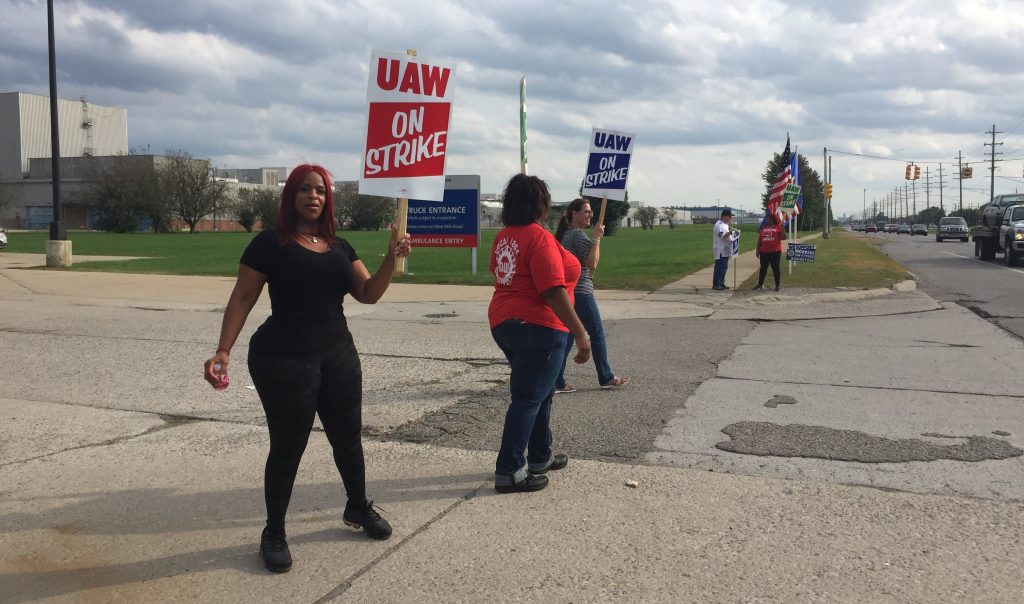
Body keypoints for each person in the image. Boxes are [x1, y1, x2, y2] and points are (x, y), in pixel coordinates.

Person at [203, 164, 411, 574]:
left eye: (320, 191)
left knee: (348, 439)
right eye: (305, 189)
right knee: (288, 445)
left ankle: (357, 507)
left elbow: (368, 294)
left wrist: (392, 256)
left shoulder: (339, 246)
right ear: (291, 197)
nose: (313, 196)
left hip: (337, 356)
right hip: (283, 358)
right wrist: (223, 350)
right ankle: (274, 532)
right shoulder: (271, 243)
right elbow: (243, 297)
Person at [488, 173, 591, 494]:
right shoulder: (539, 237)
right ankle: (509, 470)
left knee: (541, 392)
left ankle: (539, 456)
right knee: (528, 397)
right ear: (541, 205)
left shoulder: (505, 235)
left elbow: (500, 272)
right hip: (539, 326)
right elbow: (552, 291)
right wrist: (581, 333)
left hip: (504, 322)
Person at [552, 198, 630, 394]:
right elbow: (592, 263)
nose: (590, 215)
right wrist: (596, 239)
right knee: (597, 333)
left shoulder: (564, 234)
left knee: (569, 336)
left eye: (591, 212)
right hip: (582, 291)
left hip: (570, 291)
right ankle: (606, 377)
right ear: (574, 214)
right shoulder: (577, 235)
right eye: (586, 212)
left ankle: (557, 381)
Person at [754, 213, 787, 291]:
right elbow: (759, 240)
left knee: (775, 268)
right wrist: (757, 250)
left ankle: (777, 285)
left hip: (775, 252)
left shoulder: (778, 227)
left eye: (768, 218)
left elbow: (783, 237)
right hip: (764, 252)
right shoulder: (763, 228)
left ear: (772, 219)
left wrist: (782, 229)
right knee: (763, 268)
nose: (766, 220)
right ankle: (760, 284)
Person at [712, 208, 739, 290]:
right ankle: (716, 284)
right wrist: (731, 232)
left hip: (726, 250)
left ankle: (721, 283)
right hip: (720, 250)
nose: (730, 219)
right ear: (725, 216)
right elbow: (722, 235)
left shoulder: (725, 224)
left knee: (724, 268)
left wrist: (733, 230)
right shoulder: (719, 225)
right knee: (720, 267)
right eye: (729, 217)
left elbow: (728, 230)